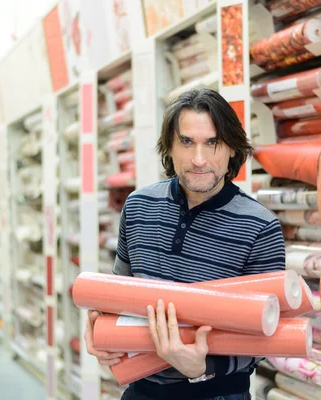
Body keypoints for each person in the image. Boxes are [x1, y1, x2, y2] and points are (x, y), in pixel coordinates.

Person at [85, 88, 286, 400]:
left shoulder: (260, 227)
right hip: (141, 390)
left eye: (213, 142)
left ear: (232, 148)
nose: (199, 159)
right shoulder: (138, 206)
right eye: (187, 141)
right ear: (170, 146)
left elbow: (267, 335)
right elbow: (118, 293)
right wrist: (99, 329)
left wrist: (201, 367)